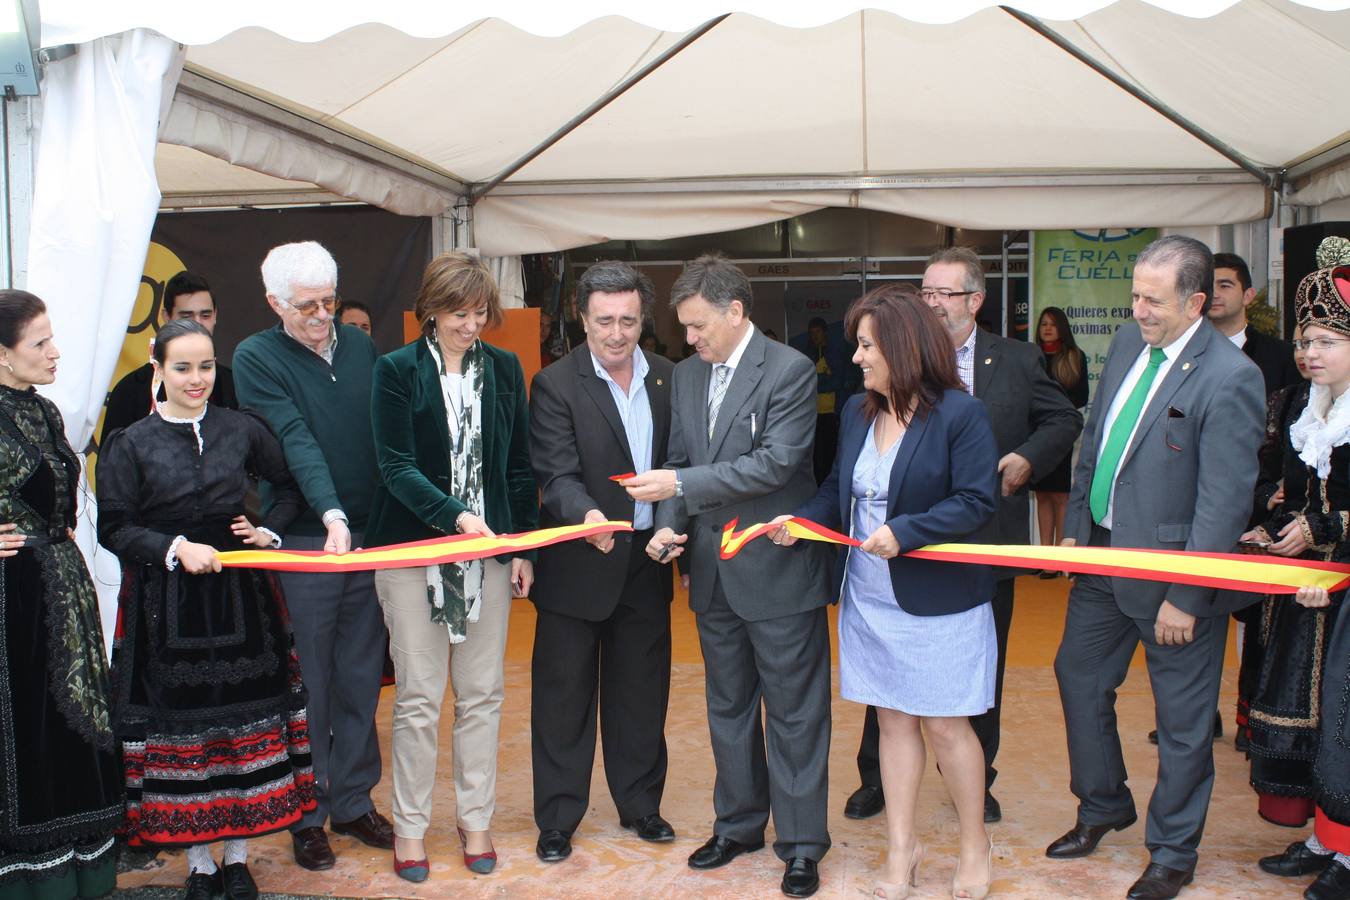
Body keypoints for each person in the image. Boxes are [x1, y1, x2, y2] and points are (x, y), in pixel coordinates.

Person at [1046, 235, 1265, 900]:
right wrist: (1080, 534)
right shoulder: (1123, 343)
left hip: (1174, 580)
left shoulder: (1231, 376)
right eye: (1135, 295)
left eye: (1153, 299)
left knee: (1182, 722)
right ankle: (1104, 802)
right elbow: (1097, 441)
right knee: (1078, 676)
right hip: (1104, 562)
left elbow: (1223, 501)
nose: (1137, 309)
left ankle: (1172, 849)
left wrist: (1188, 594)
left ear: (1197, 302)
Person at [776, 284, 999, 899]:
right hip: (868, 597)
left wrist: (907, 531)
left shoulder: (961, 414)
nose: (856, 359)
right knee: (893, 722)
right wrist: (801, 523)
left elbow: (978, 501)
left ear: (901, 348)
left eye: (867, 346)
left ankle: (974, 843)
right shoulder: (856, 412)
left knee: (949, 728)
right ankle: (903, 848)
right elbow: (836, 494)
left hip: (939, 600)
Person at [846, 248, 1081, 826]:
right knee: (891, 699)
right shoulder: (865, 404)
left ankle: (978, 782)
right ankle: (877, 779)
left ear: (975, 300)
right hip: (881, 572)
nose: (931, 303)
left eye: (943, 294)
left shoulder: (1014, 363)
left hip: (977, 545)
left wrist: (1026, 458)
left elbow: (1062, 421)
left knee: (971, 685)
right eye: (924, 292)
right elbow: (843, 487)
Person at [623, 253, 831, 898]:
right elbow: (680, 461)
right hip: (712, 573)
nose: (688, 339)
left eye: (698, 326)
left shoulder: (790, 370)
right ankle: (738, 824)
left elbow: (776, 463)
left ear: (736, 312)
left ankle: (800, 845)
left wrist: (680, 482)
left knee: (794, 713)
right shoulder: (687, 376)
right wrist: (665, 521)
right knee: (729, 706)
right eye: (684, 328)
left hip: (777, 569)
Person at [97, 319, 316, 900]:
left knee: (246, 721)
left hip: (242, 597)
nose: (197, 379)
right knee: (185, 731)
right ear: (158, 370)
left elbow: (289, 485)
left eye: (206, 366)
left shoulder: (241, 429)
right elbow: (113, 527)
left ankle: (239, 857)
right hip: (164, 603)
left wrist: (269, 529)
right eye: (183, 367)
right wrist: (173, 548)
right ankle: (200, 863)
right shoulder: (132, 442)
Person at [365, 252, 537, 881]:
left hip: (487, 556)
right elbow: (394, 466)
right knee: (416, 697)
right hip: (413, 555)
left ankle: (476, 818)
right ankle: (410, 828)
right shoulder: (395, 371)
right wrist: (456, 516)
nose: (472, 324)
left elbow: (517, 467)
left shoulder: (505, 368)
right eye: (459, 313)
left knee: (483, 694)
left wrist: (518, 546)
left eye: (480, 313)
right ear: (429, 311)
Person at [232, 241, 392, 870]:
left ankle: (354, 800)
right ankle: (308, 814)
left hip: (367, 541)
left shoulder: (360, 348)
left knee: (359, 676)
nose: (324, 315)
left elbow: (385, 437)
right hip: (305, 538)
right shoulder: (256, 357)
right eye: (307, 306)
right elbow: (293, 438)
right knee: (311, 683)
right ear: (274, 302)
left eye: (331, 300)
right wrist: (331, 515)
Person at [529, 261, 676, 862]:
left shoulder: (672, 378)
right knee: (564, 698)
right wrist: (586, 516)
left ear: (644, 318)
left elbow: (683, 465)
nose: (616, 334)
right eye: (604, 321)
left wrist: (668, 527)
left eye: (628, 321)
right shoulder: (555, 384)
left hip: (648, 559)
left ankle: (641, 806)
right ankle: (559, 817)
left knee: (641, 694)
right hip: (578, 559)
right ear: (581, 318)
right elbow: (556, 472)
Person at [0, 290, 122, 900]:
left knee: (75, 727)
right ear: (1, 354)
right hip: (10, 605)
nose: (56, 353)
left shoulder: (46, 412)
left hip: (61, 593)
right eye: (39, 343)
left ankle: (82, 874)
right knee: (26, 739)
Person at [1245, 240, 1350, 899]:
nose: (1310, 353)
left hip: (1345, 595)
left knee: (1343, 715)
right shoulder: (1297, 408)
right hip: (1309, 590)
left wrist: (1324, 531)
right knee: (1307, 716)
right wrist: (1272, 524)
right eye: (1305, 340)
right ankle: (1325, 836)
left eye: (1326, 341)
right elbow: (1285, 490)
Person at [1207, 251, 1304, 752]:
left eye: (1227, 285)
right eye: (1210, 285)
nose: (1217, 294)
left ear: (1247, 295)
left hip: (1264, 508)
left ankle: (1252, 714)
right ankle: (1200, 716)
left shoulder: (1282, 356)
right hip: (1203, 503)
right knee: (1197, 612)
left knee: (1255, 616)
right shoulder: (1188, 351)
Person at [102, 270, 238, 446]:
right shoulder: (131, 391)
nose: (197, 323)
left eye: (205, 315)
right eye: (186, 316)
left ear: (215, 316)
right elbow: (111, 466)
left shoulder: (232, 384)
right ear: (166, 317)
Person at [1031, 306, 1089, 569]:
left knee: (1061, 495)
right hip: (1036, 432)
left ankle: (1061, 556)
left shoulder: (1076, 356)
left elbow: (1081, 397)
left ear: (1062, 328)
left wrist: (1056, 409)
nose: (1047, 328)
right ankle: (1046, 558)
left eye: (1053, 324)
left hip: (1063, 433)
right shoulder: (1032, 357)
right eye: (1043, 324)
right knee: (1043, 495)